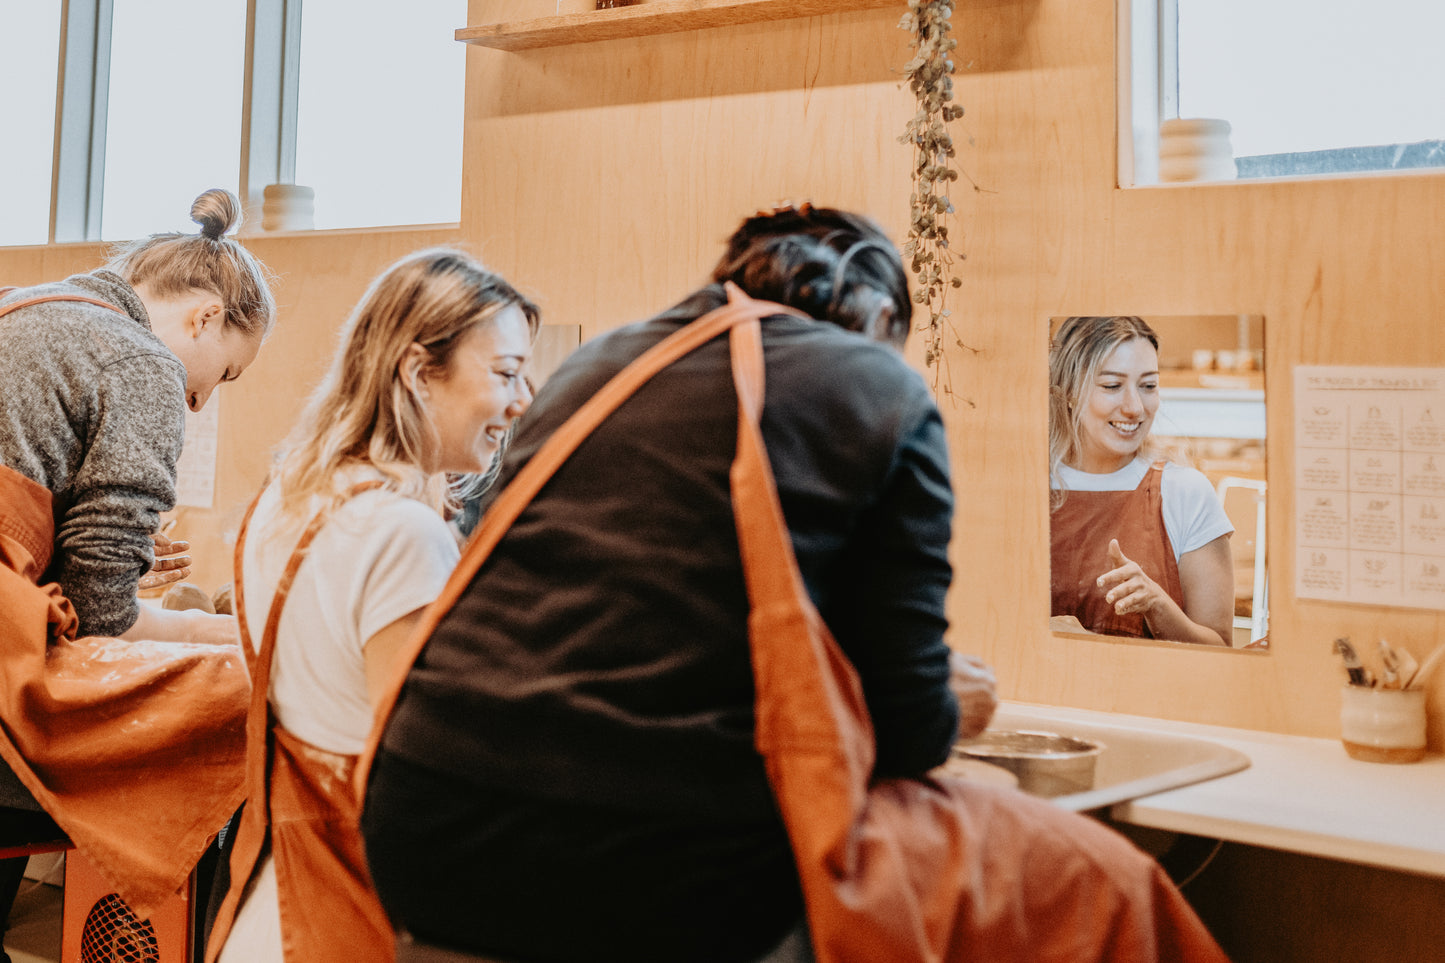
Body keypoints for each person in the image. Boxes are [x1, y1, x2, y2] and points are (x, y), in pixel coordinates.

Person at [360, 205, 998, 963]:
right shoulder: (881, 388)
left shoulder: (596, 367)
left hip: (423, 825)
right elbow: (905, 726)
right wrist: (955, 703)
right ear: (882, 318)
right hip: (653, 867)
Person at [206, 248, 538, 963]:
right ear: (420, 372)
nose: (522, 401)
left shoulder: (283, 501)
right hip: (348, 913)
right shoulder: (399, 530)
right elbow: (424, 769)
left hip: (270, 907)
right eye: (506, 373)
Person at [0, 189, 275, 927]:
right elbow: (100, 621)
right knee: (243, 703)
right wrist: (234, 635)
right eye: (223, 375)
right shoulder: (139, 359)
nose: (199, 404)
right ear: (205, 316)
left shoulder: (19, 304)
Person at [1049, 315, 1235, 646]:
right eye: (1111, 386)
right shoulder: (1024, 489)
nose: (1135, 407)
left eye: (1148, 386)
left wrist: (1156, 604)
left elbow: (1219, 649)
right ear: (1069, 391)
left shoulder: (1185, 493)